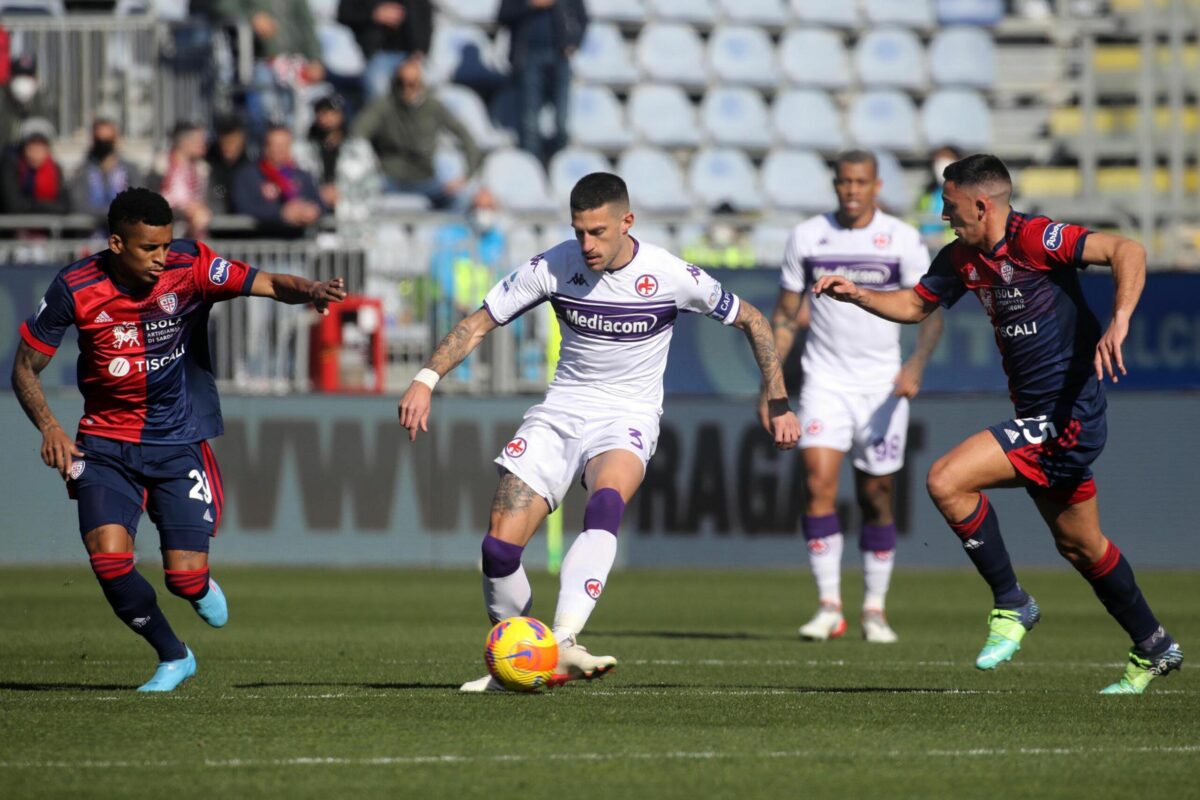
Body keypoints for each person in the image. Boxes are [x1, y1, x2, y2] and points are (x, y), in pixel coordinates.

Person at [399, 172, 801, 692]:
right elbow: (478, 322)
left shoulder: (670, 275)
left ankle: (562, 642)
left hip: (628, 415)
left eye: (598, 232)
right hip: (563, 408)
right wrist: (426, 379)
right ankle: (522, 659)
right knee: (498, 549)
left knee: (606, 500)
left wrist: (778, 399)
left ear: (627, 222)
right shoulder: (553, 266)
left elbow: (753, 320)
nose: (587, 245)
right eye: (579, 231)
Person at [812, 154, 1183, 694]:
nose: (943, 214)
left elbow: (1127, 249)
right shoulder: (962, 257)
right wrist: (858, 294)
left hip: (1065, 416)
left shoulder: (1037, 238)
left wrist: (1121, 319)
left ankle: (1012, 603)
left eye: (950, 204)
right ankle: (1153, 646)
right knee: (1083, 547)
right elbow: (917, 306)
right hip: (1038, 417)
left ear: (981, 204)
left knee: (945, 479)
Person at [11, 188, 345, 692]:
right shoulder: (74, 287)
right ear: (117, 243)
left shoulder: (191, 266)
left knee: (183, 580)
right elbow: (24, 369)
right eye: (150, 248)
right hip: (103, 443)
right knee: (108, 559)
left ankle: (197, 584)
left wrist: (312, 291)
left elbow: (271, 283)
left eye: (166, 245)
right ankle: (173, 655)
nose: (162, 257)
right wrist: (51, 427)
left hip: (177, 440)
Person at [772, 150, 943, 644]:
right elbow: (785, 316)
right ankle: (829, 605)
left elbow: (930, 312)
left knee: (877, 495)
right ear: (835, 184)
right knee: (818, 480)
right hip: (824, 380)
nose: (852, 190)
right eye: (844, 181)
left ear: (876, 185)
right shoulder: (807, 236)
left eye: (860, 182)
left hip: (881, 386)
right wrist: (775, 385)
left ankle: (874, 608)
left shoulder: (903, 239)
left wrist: (915, 364)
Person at [352, 58, 482, 209]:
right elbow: (358, 133)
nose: (406, 89)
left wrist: (467, 175)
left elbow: (465, 135)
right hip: (388, 177)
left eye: (412, 84)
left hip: (425, 178)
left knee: (463, 197)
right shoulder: (384, 105)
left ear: (421, 83)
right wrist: (365, 162)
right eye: (401, 83)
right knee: (356, 193)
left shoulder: (434, 107)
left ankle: (441, 232)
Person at [497, 0, 587, 163]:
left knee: (562, 121)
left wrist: (574, 42)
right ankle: (532, 169)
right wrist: (530, 5)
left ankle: (558, 165)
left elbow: (582, 17)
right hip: (528, 56)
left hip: (559, 55)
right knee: (529, 120)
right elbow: (503, 16)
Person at [231, 124, 324, 236]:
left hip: (296, 246)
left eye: (284, 145)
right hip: (260, 244)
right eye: (275, 144)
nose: (280, 149)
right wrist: (281, 213)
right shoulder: (248, 175)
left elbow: (320, 204)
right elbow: (243, 207)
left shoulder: (302, 176)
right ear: (266, 146)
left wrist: (311, 210)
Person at [337, 0, 432, 101]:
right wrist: (374, 14)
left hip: (411, 54)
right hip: (375, 54)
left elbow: (424, 17)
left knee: (422, 87)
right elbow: (344, 13)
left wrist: (418, 52)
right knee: (377, 83)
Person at [68, 119, 146, 230]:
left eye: (108, 140)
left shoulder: (131, 171)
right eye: (100, 139)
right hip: (90, 237)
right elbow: (79, 206)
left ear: (116, 139)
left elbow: (138, 204)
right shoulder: (82, 172)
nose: (104, 144)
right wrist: (113, 213)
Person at [159, 121, 213, 238]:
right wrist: (183, 211)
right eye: (199, 141)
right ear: (185, 143)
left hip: (190, 234)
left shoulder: (202, 169)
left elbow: (212, 200)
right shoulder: (160, 167)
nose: (204, 145)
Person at [0, 130, 69, 215]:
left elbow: (63, 206)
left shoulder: (55, 170)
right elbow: (14, 205)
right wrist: (48, 207)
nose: (36, 151)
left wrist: (32, 205)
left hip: (49, 226)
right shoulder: (11, 166)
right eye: (32, 145)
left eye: (41, 145)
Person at [0, 54, 56, 155]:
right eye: (19, 76)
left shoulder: (43, 103)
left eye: (27, 76)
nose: (23, 81)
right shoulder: (3, 100)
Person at [916, 145, 962, 251]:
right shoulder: (927, 193)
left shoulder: (965, 192)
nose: (941, 164)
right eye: (938, 161)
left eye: (946, 159)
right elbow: (915, 219)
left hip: (951, 248)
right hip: (926, 246)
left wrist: (943, 239)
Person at [206, 115, 250, 214]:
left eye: (234, 142)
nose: (229, 147)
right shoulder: (208, 165)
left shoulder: (248, 168)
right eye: (225, 142)